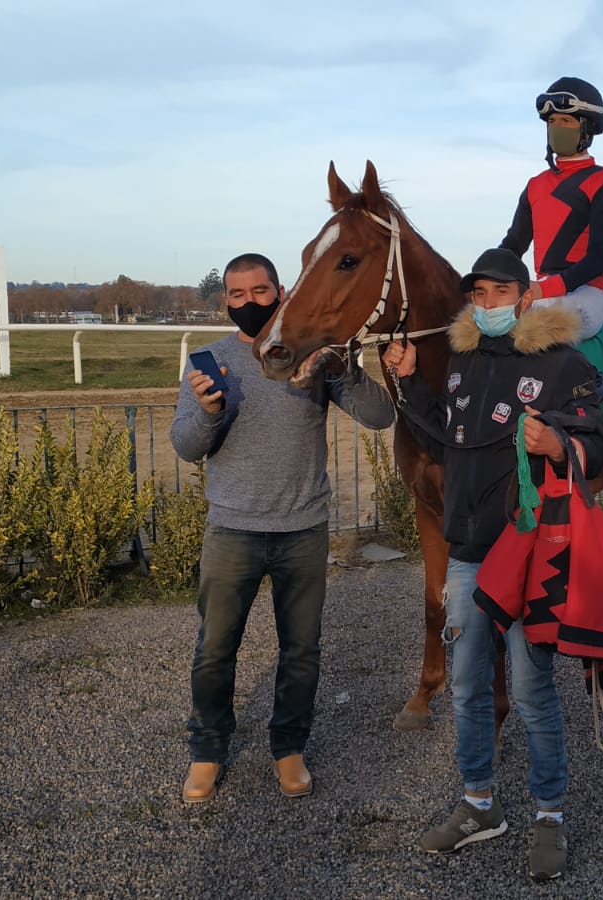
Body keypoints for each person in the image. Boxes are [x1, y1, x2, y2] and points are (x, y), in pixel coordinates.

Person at [381, 248, 603, 882]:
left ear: (527, 294)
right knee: (465, 686)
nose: (486, 304)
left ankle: (549, 814)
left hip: (526, 553)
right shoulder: (461, 360)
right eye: (477, 294)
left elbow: (599, 441)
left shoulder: (563, 364)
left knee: (533, 689)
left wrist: (561, 442)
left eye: (498, 292)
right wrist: (405, 382)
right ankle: (480, 804)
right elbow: (442, 438)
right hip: (466, 557)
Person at [171, 253, 396, 804]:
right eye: (238, 294)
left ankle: (289, 748)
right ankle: (207, 750)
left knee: (301, 650)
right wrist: (206, 411)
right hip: (231, 531)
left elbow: (379, 416)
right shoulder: (209, 359)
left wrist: (345, 367)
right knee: (215, 649)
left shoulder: (313, 359)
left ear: (282, 291)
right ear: (225, 300)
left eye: (261, 290)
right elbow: (185, 447)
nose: (250, 302)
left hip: (302, 531)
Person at [499, 76, 603, 341]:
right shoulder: (535, 185)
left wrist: (545, 290)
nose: (557, 127)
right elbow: (513, 245)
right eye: (552, 122)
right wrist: (484, 277)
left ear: (587, 129)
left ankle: (589, 384)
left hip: (586, 294)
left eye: (566, 121)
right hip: (542, 291)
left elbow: (598, 259)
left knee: (534, 321)